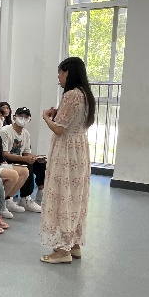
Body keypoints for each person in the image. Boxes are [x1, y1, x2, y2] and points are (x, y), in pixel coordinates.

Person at [39, 57, 95, 264]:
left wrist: (46, 117)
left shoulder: (71, 95)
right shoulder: (86, 94)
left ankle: (63, 250)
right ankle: (74, 244)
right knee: (74, 195)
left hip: (66, 151)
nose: (59, 79)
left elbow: (60, 129)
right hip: (79, 149)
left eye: (60, 74)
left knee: (63, 195)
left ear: (68, 73)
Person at [0, 106, 29, 216]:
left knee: (24, 171)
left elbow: (0, 157)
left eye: (1, 117)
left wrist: (6, 165)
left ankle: (6, 200)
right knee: (13, 175)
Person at [0, 107, 45, 212]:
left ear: (29, 119)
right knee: (27, 165)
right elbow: (5, 154)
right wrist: (25, 158)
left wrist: (35, 157)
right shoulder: (5, 131)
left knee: (40, 163)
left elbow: (26, 152)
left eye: (26, 117)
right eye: (20, 116)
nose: (23, 119)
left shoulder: (26, 133)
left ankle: (40, 191)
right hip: (7, 159)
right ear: (14, 117)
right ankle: (25, 197)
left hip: (19, 158)